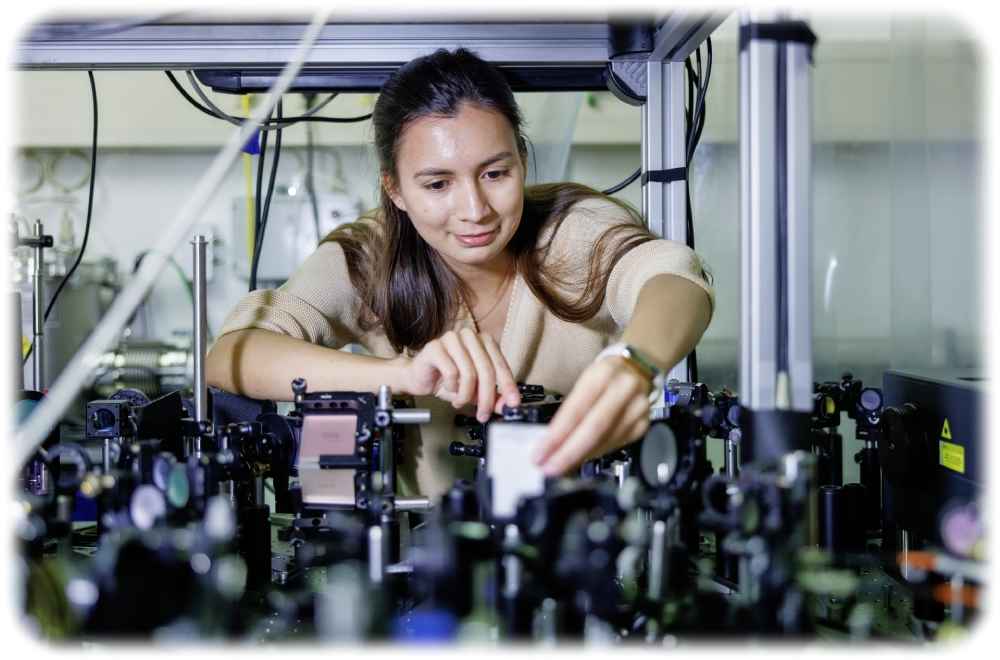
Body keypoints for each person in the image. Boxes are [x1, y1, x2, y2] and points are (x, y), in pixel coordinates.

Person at [206, 48, 714, 501]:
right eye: (437, 183)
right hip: (415, 559)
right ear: (396, 191)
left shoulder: (573, 232)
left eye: (496, 173)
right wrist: (401, 375)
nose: (475, 210)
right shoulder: (369, 256)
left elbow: (675, 279)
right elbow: (232, 355)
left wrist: (635, 362)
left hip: (574, 545)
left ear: (522, 159)